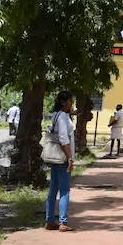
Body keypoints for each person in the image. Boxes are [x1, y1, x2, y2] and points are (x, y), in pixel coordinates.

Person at [44, 90, 75, 232]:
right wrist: (69, 158)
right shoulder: (62, 116)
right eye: (70, 101)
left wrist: (71, 113)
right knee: (64, 190)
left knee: (53, 190)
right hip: (62, 158)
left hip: (54, 157)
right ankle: (63, 222)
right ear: (63, 102)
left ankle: (49, 220)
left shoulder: (57, 115)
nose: (72, 103)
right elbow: (63, 138)